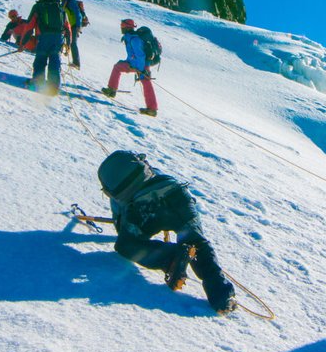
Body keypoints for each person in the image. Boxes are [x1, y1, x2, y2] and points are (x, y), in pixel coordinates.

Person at [97, 150, 236, 314]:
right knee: (196, 241)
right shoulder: (149, 171)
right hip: (177, 195)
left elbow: (122, 230)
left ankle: (169, 258)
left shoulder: (116, 192)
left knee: (126, 245)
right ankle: (221, 295)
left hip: (144, 207)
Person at [101, 17, 158, 117]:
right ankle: (152, 108)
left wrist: (140, 70)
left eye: (122, 26)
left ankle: (152, 109)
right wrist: (127, 62)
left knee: (145, 81)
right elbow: (133, 55)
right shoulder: (130, 37)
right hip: (137, 64)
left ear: (127, 27)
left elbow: (140, 55)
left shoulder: (134, 39)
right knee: (118, 67)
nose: (121, 27)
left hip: (141, 65)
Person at [23, 0, 69, 94]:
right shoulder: (60, 7)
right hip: (58, 39)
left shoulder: (38, 6)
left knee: (40, 60)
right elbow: (67, 27)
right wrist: (69, 43)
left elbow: (29, 26)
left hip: (43, 37)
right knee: (55, 61)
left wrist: (23, 43)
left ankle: (37, 82)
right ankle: (54, 86)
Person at [57, 0, 88, 68]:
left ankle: (76, 63)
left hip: (75, 25)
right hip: (72, 25)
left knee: (73, 43)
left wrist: (78, 26)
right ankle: (75, 61)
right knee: (72, 42)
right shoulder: (64, 3)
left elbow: (78, 14)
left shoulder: (71, 2)